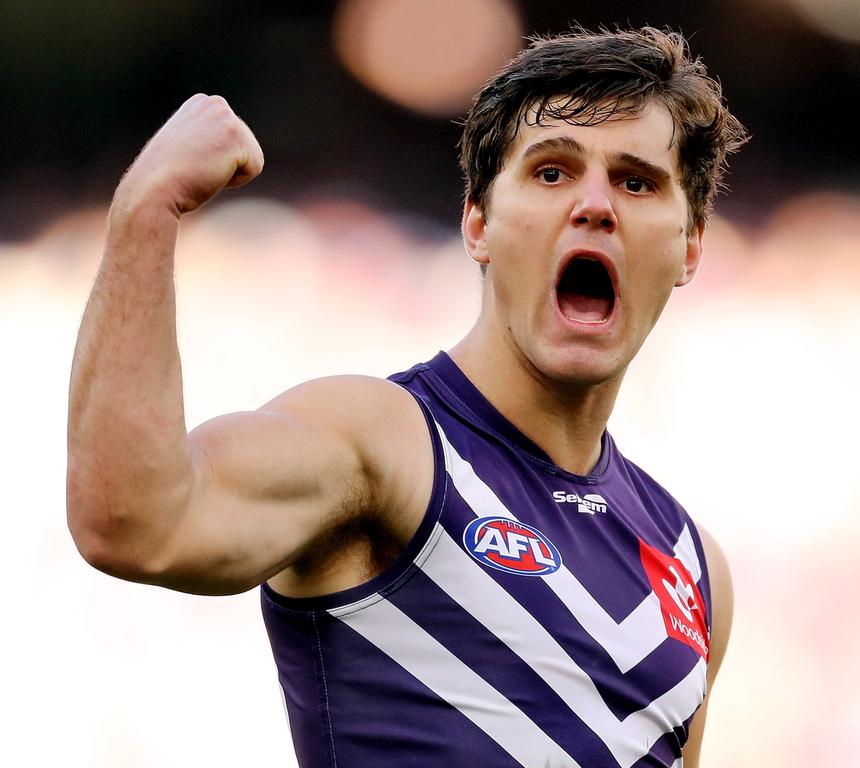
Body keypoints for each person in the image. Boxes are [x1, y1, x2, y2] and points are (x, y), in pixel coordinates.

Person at [67, 26, 746, 767]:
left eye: (636, 181)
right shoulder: (382, 441)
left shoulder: (690, 564)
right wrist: (144, 211)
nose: (594, 205)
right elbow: (134, 522)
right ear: (478, 224)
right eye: (551, 173)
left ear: (689, 247)